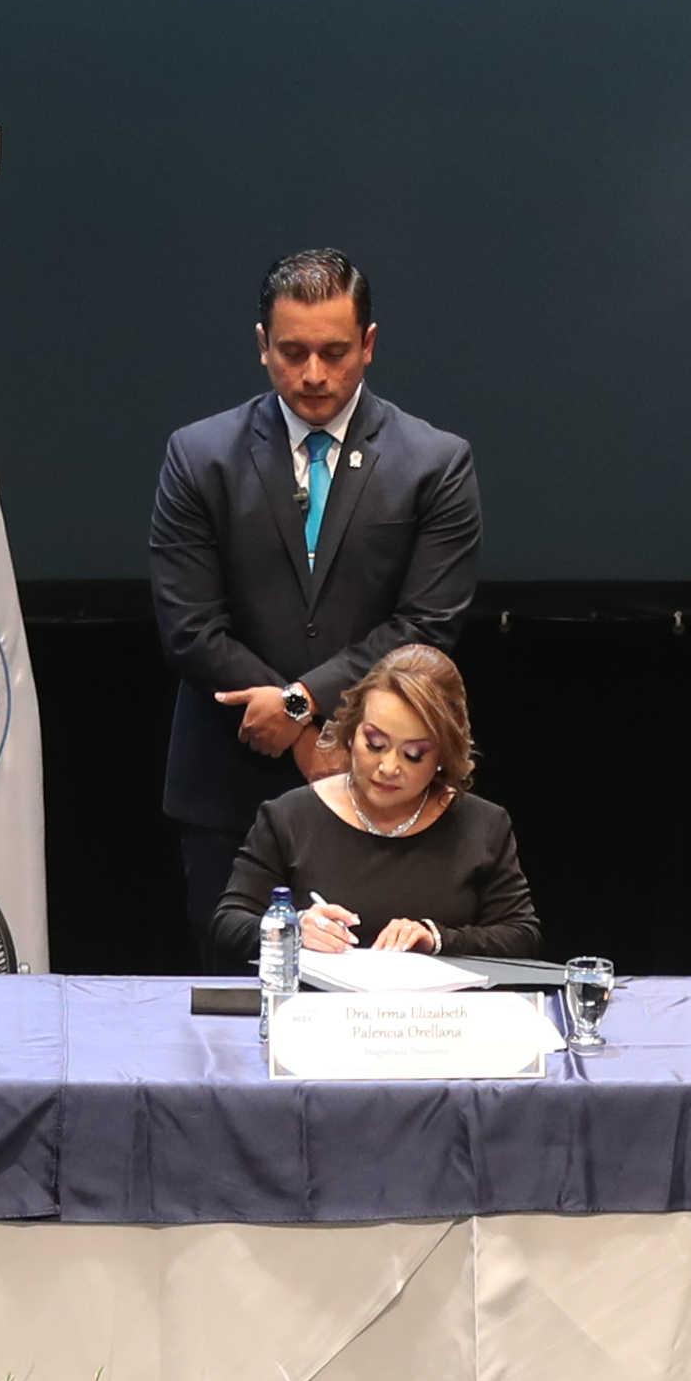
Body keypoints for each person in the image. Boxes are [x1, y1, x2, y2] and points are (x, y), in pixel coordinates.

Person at [148, 247, 482, 946]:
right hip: (229, 785)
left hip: (384, 789)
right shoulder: (199, 455)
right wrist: (301, 728)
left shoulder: (434, 463)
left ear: (368, 343)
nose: (313, 375)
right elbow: (189, 627)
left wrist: (302, 703)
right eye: (292, 352)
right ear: (262, 344)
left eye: (334, 353)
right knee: (237, 991)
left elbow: (426, 624)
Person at [207, 643, 546, 970]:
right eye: (375, 744)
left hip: (438, 1007)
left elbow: (522, 936)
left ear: (443, 755)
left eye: (413, 755)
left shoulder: (483, 825)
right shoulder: (289, 817)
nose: (388, 767)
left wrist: (437, 938)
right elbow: (229, 922)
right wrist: (292, 928)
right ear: (351, 732)